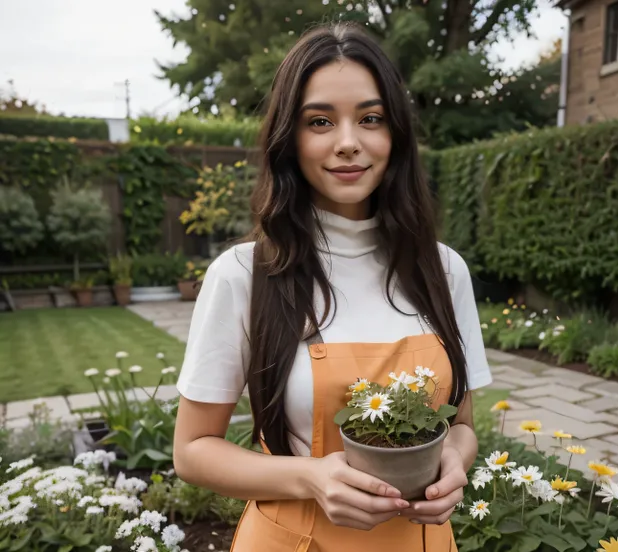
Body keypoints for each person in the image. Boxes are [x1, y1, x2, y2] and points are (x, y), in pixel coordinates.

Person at [173, 20, 492, 552]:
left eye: (370, 118)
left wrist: (456, 461)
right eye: (320, 121)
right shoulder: (245, 274)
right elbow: (193, 450)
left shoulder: (443, 270)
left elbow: (460, 424)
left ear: (396, 135)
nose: (349, 143)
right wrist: (311, 478)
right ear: (289, 140)